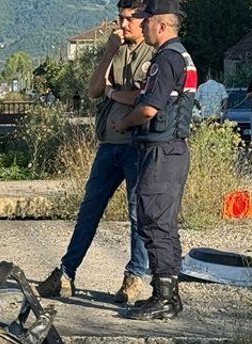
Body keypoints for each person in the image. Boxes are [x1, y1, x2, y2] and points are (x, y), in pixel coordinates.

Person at [36, 0, 155, 304]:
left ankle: (134, 276)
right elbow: (92, 89)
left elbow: (144, 98)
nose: (123, 24)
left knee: (136, 214)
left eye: (129, 19)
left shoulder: (154, 53)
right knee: (89, 210)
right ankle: (66, 273)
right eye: (120, 18)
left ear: (144, 21)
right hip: (108, 147)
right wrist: (109, 51)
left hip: (136, 146)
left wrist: (114, 92)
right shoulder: (117, 49)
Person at [111, 0, 197, 321]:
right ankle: (168, 294)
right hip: (172, 151)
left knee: (154, 221)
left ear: (160, 25)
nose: (141, 25)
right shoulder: (182, 56)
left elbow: (149, 108)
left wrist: (123, 123)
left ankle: (163, 298)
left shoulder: (165, 60)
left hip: (161, 152)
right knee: (164, 222)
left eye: (145, 21)